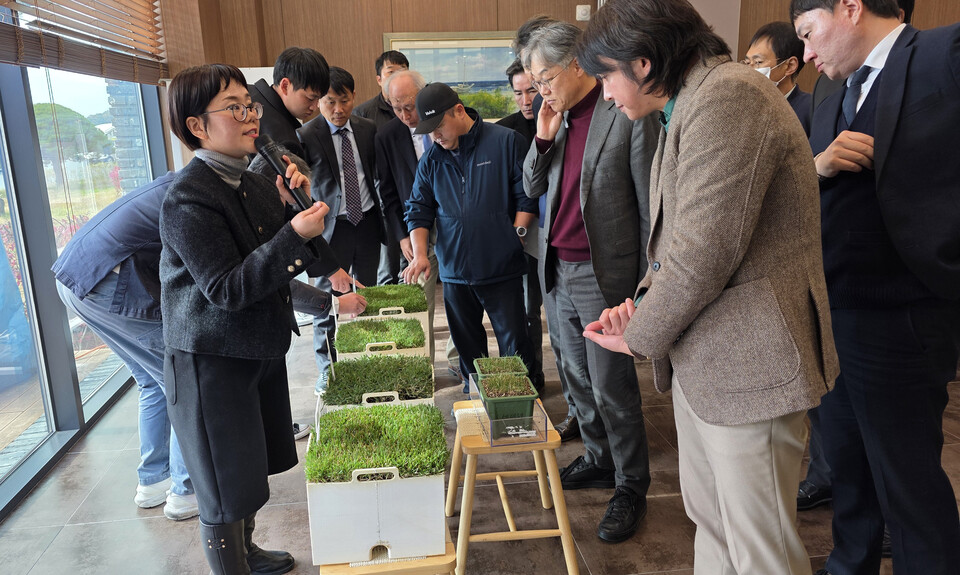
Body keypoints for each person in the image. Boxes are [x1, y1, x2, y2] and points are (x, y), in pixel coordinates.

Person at [578, 0, 839, 572]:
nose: (605, 94)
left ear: (642, 62)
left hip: (751, 368)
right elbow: (676, 241)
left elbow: (704, 254)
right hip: (709, 362)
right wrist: (642, 305)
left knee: (760, 549)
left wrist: (641, 333)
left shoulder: (729, 96)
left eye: (605, 76)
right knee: (714, 527)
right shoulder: (687, 103)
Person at [791, 1, 960, 574]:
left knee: (907, 483)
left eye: (809, 34)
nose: (807, 54)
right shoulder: (828, 96)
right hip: (835, 313)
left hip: (905, 314)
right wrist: (819, 165)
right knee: (847, 472)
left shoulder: (943, 54)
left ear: (850, 8)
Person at [161, 63, 334, 575]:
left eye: (249, 105)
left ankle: (250, 551)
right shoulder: (188, 196)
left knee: (253, 467)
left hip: (258, 348)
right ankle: (230, 566)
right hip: (212, 360)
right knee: (222, 482)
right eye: (233, 107)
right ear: (197, 126)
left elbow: (302, 256)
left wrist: (293, 207)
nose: (248, 116)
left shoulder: (257, 182)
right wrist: (293, 233)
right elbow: (227, 288)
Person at [521, 20, 657, 543]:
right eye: (533, 84)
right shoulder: (554, 118)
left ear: (577, 64)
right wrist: (542, 136)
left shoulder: (622, 112)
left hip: (605, 275)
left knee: (612, 387)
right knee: (576, 379)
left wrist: (646, 286)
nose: (540, 91)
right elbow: (532, 184)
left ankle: (631, 484)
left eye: (544, 78)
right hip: (555, 267)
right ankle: (598, 458)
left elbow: (651, 207)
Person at [52, 173, 199, 522]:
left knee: (154, 381)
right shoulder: (201, 195)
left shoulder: (182, 182)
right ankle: (185, 490)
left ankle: (152, 480)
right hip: (105, 283)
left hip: (76, 277)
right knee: (184, 385)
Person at [403, 82, 537, 393]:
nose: (435, 136)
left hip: (502, 268)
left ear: (459, 111)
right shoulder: (432, 159)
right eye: (429, 131)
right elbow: (418, 209)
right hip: (455, 274)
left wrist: (514, 236)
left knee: (514, 344)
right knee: (467, 347)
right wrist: (421, 254)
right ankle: (476, 398)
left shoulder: (505, 142)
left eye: (439, 127)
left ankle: (517, 405)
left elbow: (526, 197)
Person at [298, 67, 383, 395]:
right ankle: (327, 369)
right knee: (327, 301)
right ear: (319, 102)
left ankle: (366, 357)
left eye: (344, 100)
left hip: (367, 222)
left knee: (367, 293)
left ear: (353, 97)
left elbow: (374, 175)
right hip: (330, 230)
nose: (338, 109)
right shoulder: (306, 135)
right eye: (329, 102)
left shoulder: (367, 129)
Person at [374, 69, 458, 367]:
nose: (405, 115)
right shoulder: (386, 135)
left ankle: (457, 360)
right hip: (415, 229)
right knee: (419, 300)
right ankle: (424, 367)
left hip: (454, 223)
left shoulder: (448, 123)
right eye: (396, 108)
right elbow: (388, 192)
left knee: (458, 298)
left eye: (409, 106)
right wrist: (402, 235)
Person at [496, 58, 545, 394]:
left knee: (547, 312)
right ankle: (530, 377)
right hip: (517, 233)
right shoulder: (503, 131)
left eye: (531, 90)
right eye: (518, 93)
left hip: (553, 230)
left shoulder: (558, 121)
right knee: (524, 311)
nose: (526, 100)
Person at [248, 47, 329, 157]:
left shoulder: (246, 92)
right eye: (310, 98)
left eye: (318, 99)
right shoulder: (285, 143)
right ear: (285, 86)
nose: (315, 107)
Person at [744, 21, 812, 134]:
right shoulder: (745, 106)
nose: (750, 70)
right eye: (747, 62)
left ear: (790, 66)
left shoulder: (810, 109)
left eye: (758, 62)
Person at [353, 50, 409, 129]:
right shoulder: (362, 113)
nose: (397, 77)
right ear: (379, 80)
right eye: (391, 72)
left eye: (402, 72)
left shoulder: (418, 107)